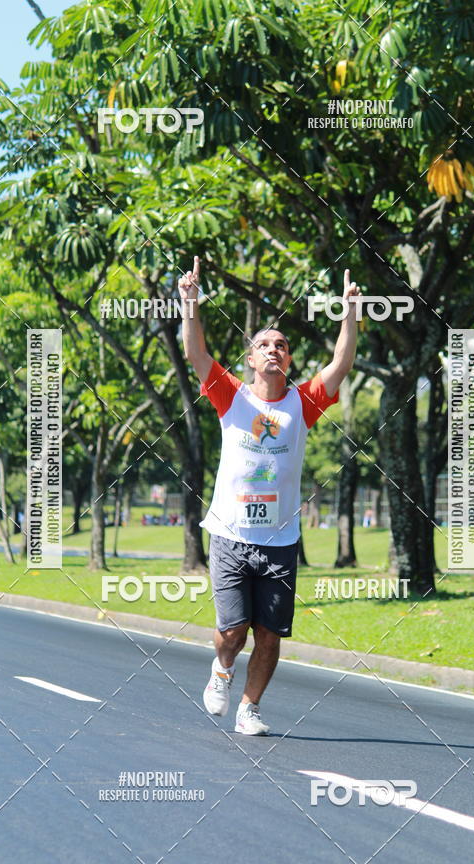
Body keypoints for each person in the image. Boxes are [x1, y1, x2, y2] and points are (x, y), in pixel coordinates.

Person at [180, 256, 361, 735]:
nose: (274, 350)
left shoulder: (303, 403)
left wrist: (349, 313)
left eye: (281, 345)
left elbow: (341, 363)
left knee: (270, 635)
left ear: (289, 359)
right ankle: (221, 671)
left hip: (280, 539)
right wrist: (191, 305)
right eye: (264, 345)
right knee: (234, 632)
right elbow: (196, 353)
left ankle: (250, 708)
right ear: (251, 360)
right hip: (230, 533)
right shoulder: (231, 395)